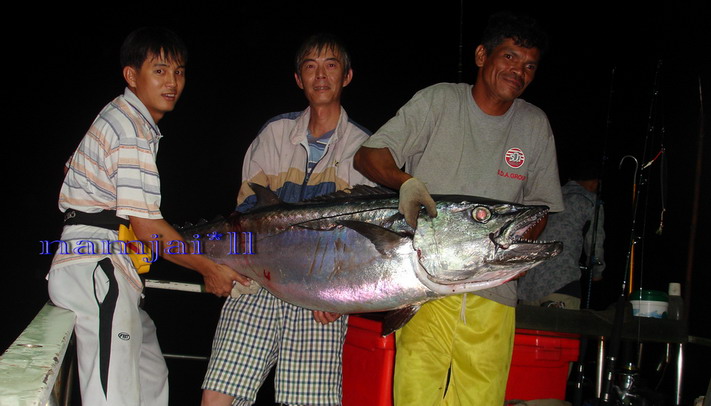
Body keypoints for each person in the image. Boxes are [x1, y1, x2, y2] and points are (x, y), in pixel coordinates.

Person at [353, 12, 564, 406]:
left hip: (494, 296)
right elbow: (368, 156)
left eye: (529, 65)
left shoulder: (535, 125)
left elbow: (539, 211)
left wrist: (504, 255)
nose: (518, 71)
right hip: (424, 287)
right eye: (510, 57)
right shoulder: (439, 101)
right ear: (482, 55)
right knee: (415, 398)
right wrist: (406, 183)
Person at [46, 27, 247, 406]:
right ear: (131, 75)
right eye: (159, 70)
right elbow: (149, 227)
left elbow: (69, 168)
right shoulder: (131, 129)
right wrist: (209, 268)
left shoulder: (119, 118)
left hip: (112, 267)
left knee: (151, 374)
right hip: (96, 267)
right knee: (113, 396)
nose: (172, 82)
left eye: (179, 71)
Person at [201, 33, 374, 406]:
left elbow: (363, 242)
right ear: (299, 79)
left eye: (331, 65)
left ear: (347, 76)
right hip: (257, 281)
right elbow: (245, 211)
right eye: (310, 66)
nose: (320, 75)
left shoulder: (365, 148)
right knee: (219, 394)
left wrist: (341, 299)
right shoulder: (275, 133)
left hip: (321, 297)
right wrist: (218, 262)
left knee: (308, 401)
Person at [518, 158, 606, 310]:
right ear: (594, 183)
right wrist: (597, 272)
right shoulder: (591, 202)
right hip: (562, 283)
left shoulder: (549, 199)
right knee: (561, 333)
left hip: (527, 287)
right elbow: (594, 245)